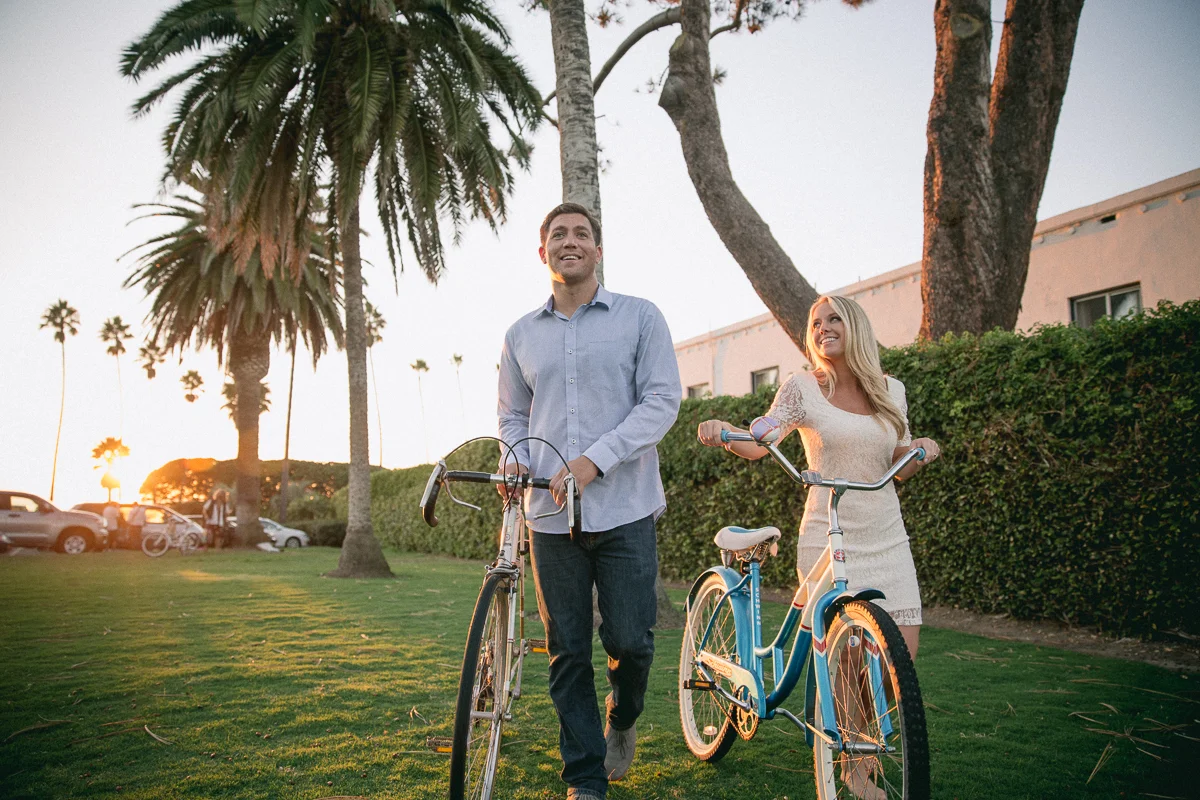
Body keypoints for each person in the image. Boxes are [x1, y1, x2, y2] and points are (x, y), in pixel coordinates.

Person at [699, 295, 940, 798]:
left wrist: (921, 451)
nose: (823, 327)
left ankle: (859, 744)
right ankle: (852, 764)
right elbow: (763, 437)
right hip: (828, 532)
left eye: (833, 319)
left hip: (886, 532)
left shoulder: (891, 389)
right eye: (816, 322)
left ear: (855, 325)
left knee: (899, 664)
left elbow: (898, 455)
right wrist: (728, 433)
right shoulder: (803, 387)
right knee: (849, 658)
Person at [497, 202, 682, 800]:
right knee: (566, 650)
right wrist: (516, 458)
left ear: (598, 250)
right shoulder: (520, 334)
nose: (569, 242)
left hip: (625, 508)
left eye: (581, 234)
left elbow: (661, 401)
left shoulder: (640, 318)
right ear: (542, 251)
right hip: (548, 520)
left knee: (631, 640)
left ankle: (622, 717)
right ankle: (585, 777)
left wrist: (595, 458)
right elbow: (512, 415)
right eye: (558, 235)